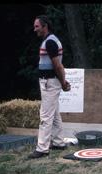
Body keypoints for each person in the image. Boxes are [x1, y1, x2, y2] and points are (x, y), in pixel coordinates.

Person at [28, 15, 71, 159]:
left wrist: (63, 82)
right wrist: (63, 82)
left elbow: (58, 66)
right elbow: (59, 64)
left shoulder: (50, 42)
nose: (35, 29)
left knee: (45, 116)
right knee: (54, 114)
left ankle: (42, 148)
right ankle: (58, 142)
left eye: (37, 26)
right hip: (51, 81)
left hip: (49, 82)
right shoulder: (51, 40)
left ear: (45, 26)